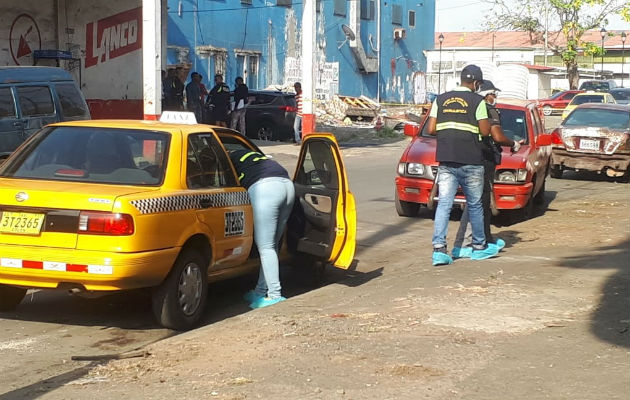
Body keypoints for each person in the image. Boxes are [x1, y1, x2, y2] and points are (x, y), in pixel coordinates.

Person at [426, 64, 499, 266]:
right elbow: (485, 131)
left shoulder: (440, 99)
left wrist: (449, 129)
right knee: (475, 205)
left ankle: (439, 250)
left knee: (444, 205)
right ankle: (478, 247)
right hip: (471, 160)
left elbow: (431, 128)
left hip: (446, 158)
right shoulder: (478, 101)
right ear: (476, 83)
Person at [452, 80, 524, 258]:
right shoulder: (487, 109)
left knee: (479, 202)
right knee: (477, 202)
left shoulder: (467, 108)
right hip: (483, 159)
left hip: (468, 156)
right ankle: (469, 242)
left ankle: (484, 238)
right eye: (494, 94)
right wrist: (513, 143)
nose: (495, 98)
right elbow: (497, 136)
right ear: (486, 94)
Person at [228, 149, 295, 309]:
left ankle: (274, 295)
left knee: (265, 247)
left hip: (265, 188)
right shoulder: (250, 155)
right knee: (273, 245)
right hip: (287, 185)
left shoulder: (227, 160)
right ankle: (260, 291)